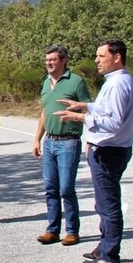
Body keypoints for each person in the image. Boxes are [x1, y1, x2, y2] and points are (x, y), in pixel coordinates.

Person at [54, 39, 133, 263]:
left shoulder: (116, 84)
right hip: (116, 149)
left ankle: (110, 254)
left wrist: (81, 118)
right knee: (104, 202)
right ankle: (102, 247)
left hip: (109, 151)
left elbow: (112, 122)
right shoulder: (124, 81)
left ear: (117, 57)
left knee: (108, 204)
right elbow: (109, 110)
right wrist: (85, 106)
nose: (96, 60)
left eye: (101, 56)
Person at [33, 45, 92, 246]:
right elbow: (44, 112)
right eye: (47, 60)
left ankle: (72, 231)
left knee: (66, 188)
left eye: (53, 59)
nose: (49, 63)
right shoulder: (45, 83)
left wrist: (91, 139)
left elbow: (89, 110)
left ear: (64, 60)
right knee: (50, 188)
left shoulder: (76, 82)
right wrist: (37, 139)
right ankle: (52, 230)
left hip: (69, 141)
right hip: (50, 141)